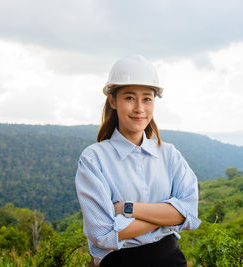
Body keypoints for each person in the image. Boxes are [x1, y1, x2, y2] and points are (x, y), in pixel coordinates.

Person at [75, 55, 201, 267]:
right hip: (120, 261)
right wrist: (166, 217)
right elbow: (103, 234)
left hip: (170, 258)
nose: (139, 108)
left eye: (147, 98)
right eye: (130, 98)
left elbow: (189, 213)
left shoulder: (168, 154)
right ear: (113, 101)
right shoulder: (94, 159)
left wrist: (126, 208)